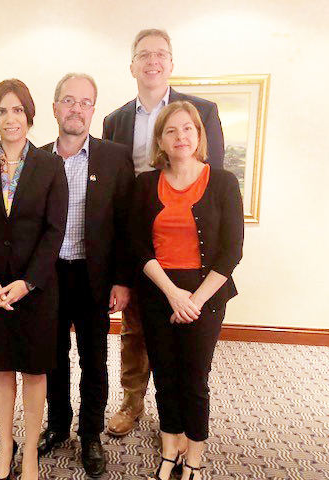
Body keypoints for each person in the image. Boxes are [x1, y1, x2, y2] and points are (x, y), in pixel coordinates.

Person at [103, 28, 226, 438]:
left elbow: (214, 184)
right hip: (139, 240)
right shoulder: (115, 120)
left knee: (184, 338)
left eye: (160, 54)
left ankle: (174, 419)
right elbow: (114, 193)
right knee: (136, 327)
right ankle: (133, 402)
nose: (152, 61)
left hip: (187, 244)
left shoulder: (201, 112)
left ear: (171, 63)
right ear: (132, 65)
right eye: (143, 55)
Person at [0, 79, 68, 480]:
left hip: (35, 289)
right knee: (2, 368)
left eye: (18, 110)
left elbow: (55, 230)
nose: (11, 118)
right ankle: (6, 447)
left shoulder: (50, 165)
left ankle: (30, 455)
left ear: (30, 116)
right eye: (2, 111)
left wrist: (28, 282)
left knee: (35, 370)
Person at [131, 101, 243, 480]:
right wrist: (172, 294)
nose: (181, 137)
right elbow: (137, 245)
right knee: (164, 375)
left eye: (188, 129)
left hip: (206, 295)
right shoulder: (145, 183)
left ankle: (193, 456)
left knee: (194, 378)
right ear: (160, 139)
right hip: (159, 291)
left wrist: (194, 298)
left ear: (199, 135)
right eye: (171, 130)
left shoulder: (224, 182)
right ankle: (169, 449)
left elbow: (232, 251)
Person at [35, 73, 134, 478]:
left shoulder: (114, 157)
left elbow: (127, 225)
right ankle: (58, 426)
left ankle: (90, 433)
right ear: (56, 106)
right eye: (69, 100)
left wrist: (123, 279)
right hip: (49, 276)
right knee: (53, 357)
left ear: (94, 109)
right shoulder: (36, 157)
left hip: (94, 276)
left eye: (86, 102)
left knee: (95, 360)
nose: (77, 108)